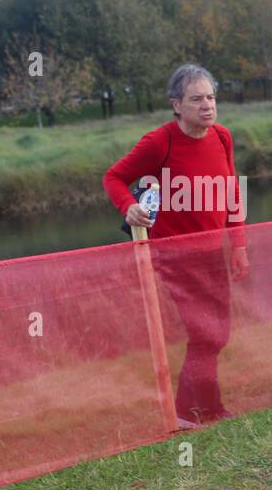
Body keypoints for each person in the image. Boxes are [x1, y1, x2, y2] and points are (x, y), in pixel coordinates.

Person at [102, 63, 247, 428]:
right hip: (175, 257)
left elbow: (232, 194)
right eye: (196, 99)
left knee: (217, 334)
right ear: (176, 105)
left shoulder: (223, 138)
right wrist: (129, 206)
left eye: (211, 97)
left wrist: (239, 245)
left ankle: (208, 407)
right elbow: (114, 177)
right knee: (204, 332)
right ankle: (185, 412)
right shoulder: (159, 142)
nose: (207, 106)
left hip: (213, 253)